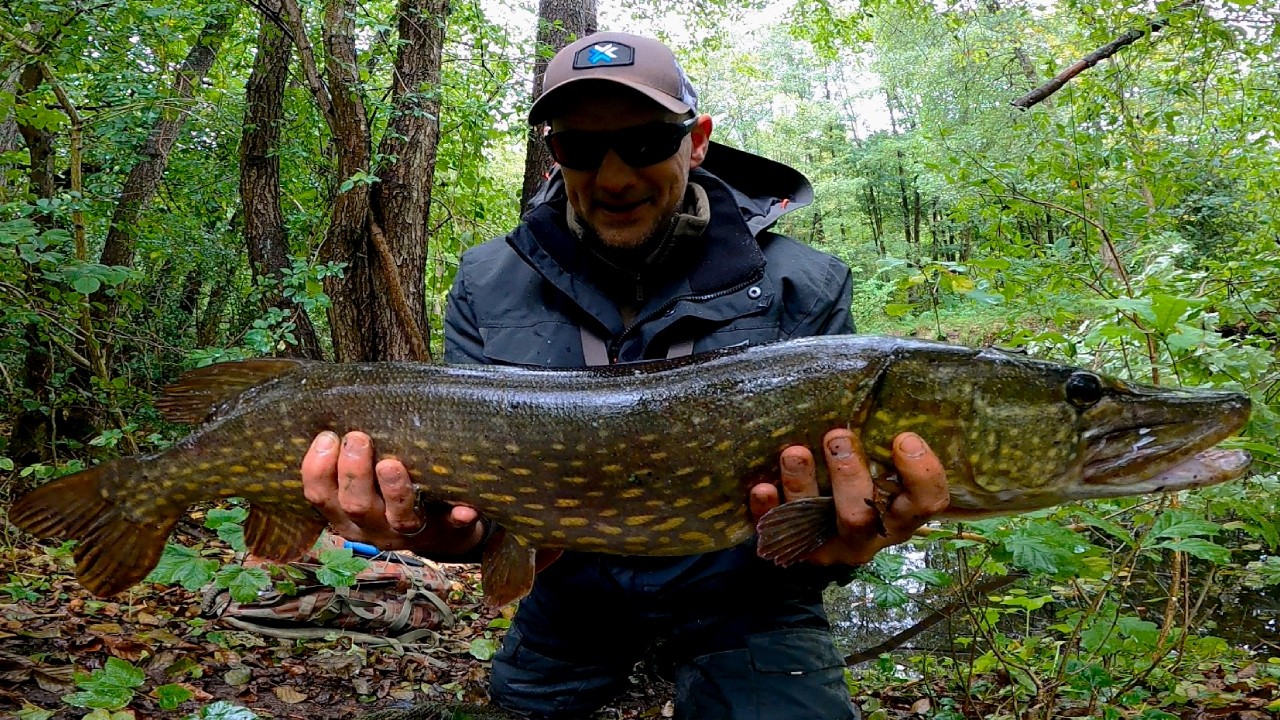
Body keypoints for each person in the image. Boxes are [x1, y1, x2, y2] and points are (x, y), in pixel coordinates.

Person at [299, 31, 949, 720]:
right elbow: (480, 504)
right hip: (571, 591)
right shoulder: (487, 282)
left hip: (748, 593)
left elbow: (829, 515)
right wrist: (449, 533)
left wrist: (844, 542)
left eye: (644, 142)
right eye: (580, 148)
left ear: (696, 141)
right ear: (555, 153)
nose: (613, 178)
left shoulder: (806, 285)